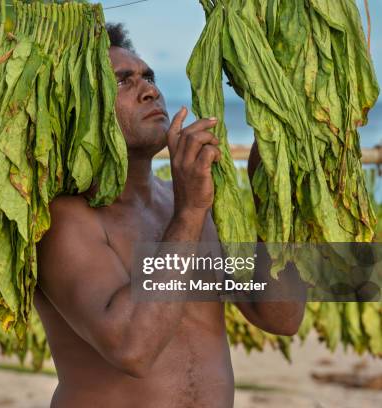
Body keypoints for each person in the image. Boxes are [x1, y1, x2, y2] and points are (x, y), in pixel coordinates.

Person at [34, 23, 305, 407]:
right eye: (123, 82)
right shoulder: (65, 219)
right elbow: (133, 348)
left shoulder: (187, 204)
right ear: (78, 106)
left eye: (148, 76)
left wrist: (270, 202)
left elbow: (280, 316)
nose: (150, 90)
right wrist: (191, 210)